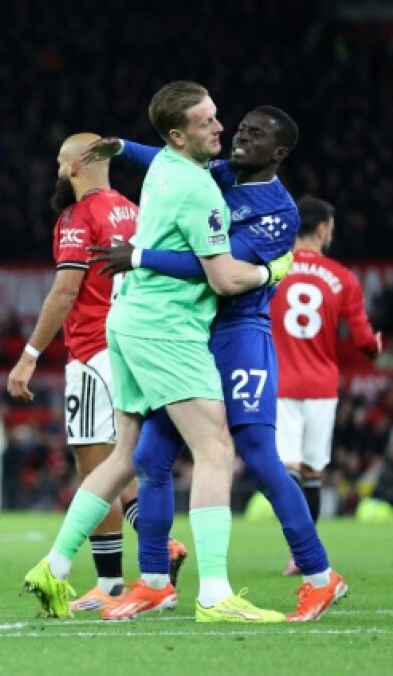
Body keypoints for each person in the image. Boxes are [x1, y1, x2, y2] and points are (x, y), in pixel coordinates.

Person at [21, 80, 288, 623]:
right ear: (178, 134)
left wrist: (120, 146)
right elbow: (222, 279)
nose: (220, 126)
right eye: (207, 121)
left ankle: (54, 564)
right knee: (216, 450)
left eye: (217, 116)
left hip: (126, 322)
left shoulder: (165, 165)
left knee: (126, 456)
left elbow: (147, 153)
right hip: (167, 329)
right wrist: (274, 270)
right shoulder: (200, 192)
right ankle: (215, 594)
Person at [88, 107, 348, 622]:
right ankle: (156, 581)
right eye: (241, 128)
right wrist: (121, 148)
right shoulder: (221, 173)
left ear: (277, 153)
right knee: (151, 456)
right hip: (193, 332)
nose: (239, 137)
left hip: (241, 335)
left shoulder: (280, 213)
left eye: (254, 135)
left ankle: (321, 577)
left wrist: (141, 256)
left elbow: (218, 270)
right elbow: (168, 158)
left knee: (258, 455)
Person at [6, 132, 186, 613]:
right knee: (122, 461)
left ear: (74, 166)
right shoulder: (133, 208)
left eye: (59, 160)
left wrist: (29, 352)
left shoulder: (78, 216)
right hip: (136, 347)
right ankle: (146, 558)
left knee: (93, 467)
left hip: (93, 350)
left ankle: (118, 575)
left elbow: (66, 291)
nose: (57, 169)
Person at [272, 196, 382, 573]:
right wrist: (376, 346)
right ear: (321, 230)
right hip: (321, 386)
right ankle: (303, 555)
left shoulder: (271, 270)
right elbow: (366, 343)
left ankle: (297, 548)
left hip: (280, 382)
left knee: (285, 470)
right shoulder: (343, 278)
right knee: (313, 473)